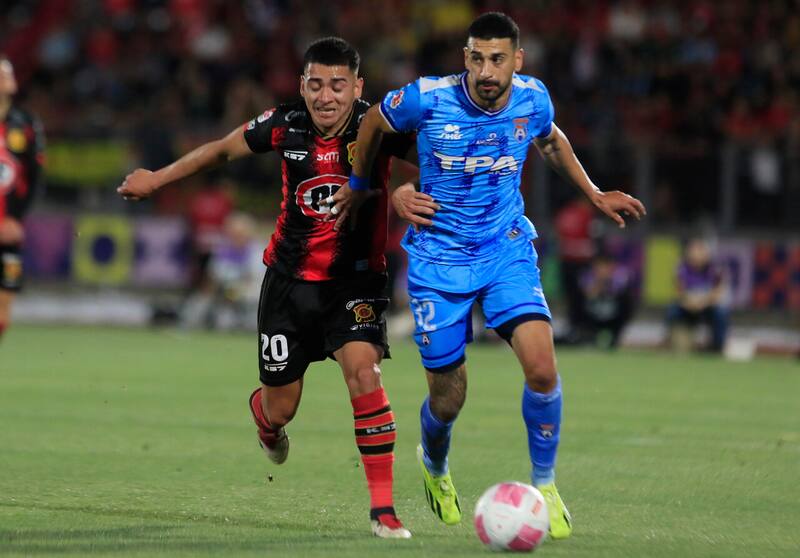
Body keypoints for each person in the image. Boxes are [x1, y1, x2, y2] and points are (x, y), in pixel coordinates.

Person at [330, 12, 646, 539]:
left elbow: (548, 139)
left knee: (542, 368)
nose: (486, 70)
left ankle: (543, 482)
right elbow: (373, 126)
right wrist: (368, 184)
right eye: (476, 58)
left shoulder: (533, 97)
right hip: (438, 261)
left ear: (516, 60)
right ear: (465, 58)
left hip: (505, 250)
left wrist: (592, 192)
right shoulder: (426, 98)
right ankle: (434, 465)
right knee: (449, 398)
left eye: (497, 59)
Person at [117, 37, 415, 539]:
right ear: (302, 85)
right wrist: (158, 179)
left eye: (338, 86)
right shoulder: (284, 123)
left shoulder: (378, 126)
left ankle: (383, 511)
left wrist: (408, 190)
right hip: (287, 285)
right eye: (316, 84)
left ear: (357, 87)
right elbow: (219, 151)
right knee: (283, 407)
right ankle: (265, 420)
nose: (326, 96)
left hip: (355, 281)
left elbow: (432, 163)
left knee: (365, 375)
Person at [0, 55, 45, 342]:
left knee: (2, 315)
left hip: (8, 231)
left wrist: (16, 219)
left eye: (8, 71)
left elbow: (35, 176)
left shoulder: (25, 124)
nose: (8, 75)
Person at [666, 238, 728, 352]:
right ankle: (671, 342)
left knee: (721, 313)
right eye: (693, 251)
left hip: (707, 305)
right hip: (688, 305)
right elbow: (679, 290)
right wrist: (689, 302)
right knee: (672, 311)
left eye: (699, 251)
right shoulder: (682, 268)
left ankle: (717, 347)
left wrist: (703, 303)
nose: (696, 256)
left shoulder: (714, 269)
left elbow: (718, 291)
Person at [576, 251, 635, 349]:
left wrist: (608, 281)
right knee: (578, 299)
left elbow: (618, 292)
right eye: (599, 266)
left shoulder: (620, 276)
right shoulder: (587, 276)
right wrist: (599, 282)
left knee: (627, 299)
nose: (602, 269)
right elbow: (589, 295)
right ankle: (588, 334)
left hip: (613, 316)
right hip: (593, 315)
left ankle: (615, 336)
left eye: (605, 266)